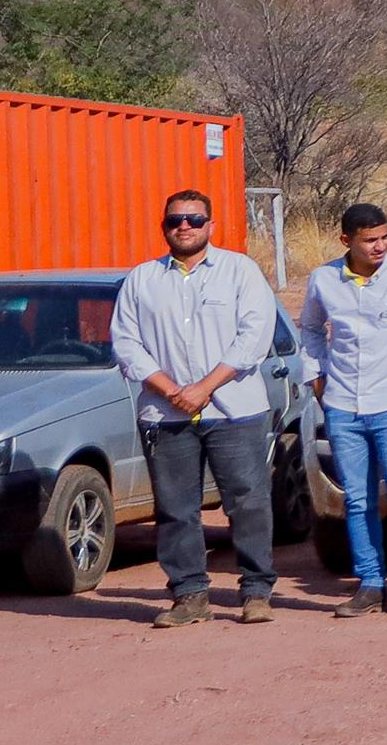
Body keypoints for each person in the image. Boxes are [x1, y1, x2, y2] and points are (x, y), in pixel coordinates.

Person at [112, 188, 283, 629]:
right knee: (175, 508)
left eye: (193, 219)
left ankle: (256, 591)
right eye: (175, 220)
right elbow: (126, 344)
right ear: (163, 227)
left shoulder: (240, 272)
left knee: (247, 502)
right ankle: (189, 596)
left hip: (234, 410)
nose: (184, 226)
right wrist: (173, 391)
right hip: (166, 415)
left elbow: (254, 338)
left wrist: (205, 387)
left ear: (210, 225)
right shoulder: (142, 280)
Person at [299, 198, 387, 620]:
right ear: (347, 240)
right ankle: (370, 583)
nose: (379, 247)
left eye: (384, 238)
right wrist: (317, 378)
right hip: (344, 405)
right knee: (358, 499)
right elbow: (309, 328)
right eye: (369, 240)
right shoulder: (324, 280)